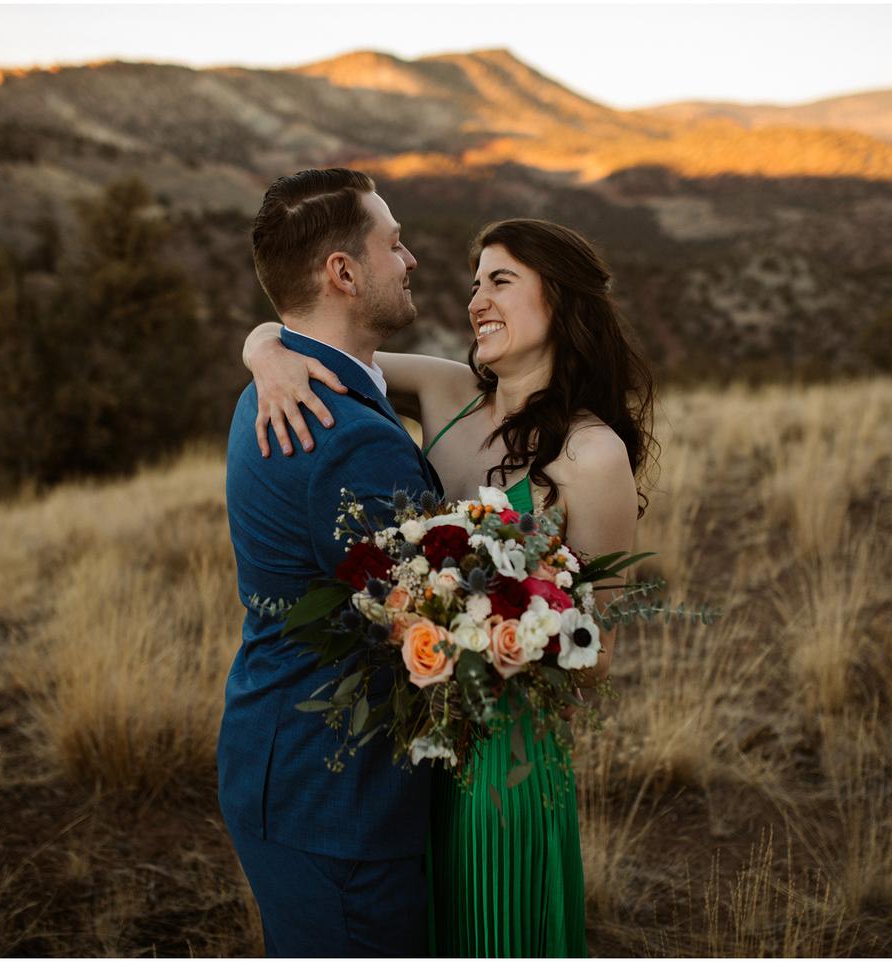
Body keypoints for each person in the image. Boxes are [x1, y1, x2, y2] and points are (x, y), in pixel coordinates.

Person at [241, 216, 657, 956]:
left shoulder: (594, 455)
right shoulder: (445, 390)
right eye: (473, 285)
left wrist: (491, 635)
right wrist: (263, 351)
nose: (476, 300)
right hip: (409, 759)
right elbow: (323, 343)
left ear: (559, 300)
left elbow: (598, 651)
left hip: (508, 760)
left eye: (500, 281)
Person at [219, 168, 444, 957]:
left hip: (280, 754)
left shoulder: (278, 385)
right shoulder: (343, 434)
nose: (410, 259)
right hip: (338, 798)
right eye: (393, 243)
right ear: (342, 273)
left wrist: (262, 342)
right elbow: (434, 622)